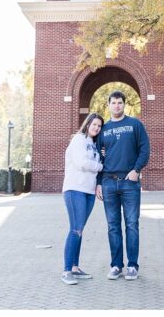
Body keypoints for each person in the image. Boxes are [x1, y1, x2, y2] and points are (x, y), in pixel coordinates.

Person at [96, 91, 150, 281]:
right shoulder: (103, 129)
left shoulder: (135, 124)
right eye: (114, 103)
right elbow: (98, 158)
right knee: (112, 226)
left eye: (120, 103)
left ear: (124, 105)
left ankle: (132, 266)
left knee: (132, 225)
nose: (117, 106)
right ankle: (116, 265)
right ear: (108, 105)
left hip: (129, 182)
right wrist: (99, 183)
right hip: (109, 182)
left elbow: (145, 149)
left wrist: (136, 170)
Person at [61, 112, 104, 285]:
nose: (96, 128)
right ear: (87, 124)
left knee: (80, 230)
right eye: (94, 124)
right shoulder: (78, 139)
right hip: (75, 189)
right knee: (75, 229)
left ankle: (75, 268)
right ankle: (66, 271)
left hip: (89, 191)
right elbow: (81, 163)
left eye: (99, 126)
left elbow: (91, 164)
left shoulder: (93, 145)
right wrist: (100, 166)